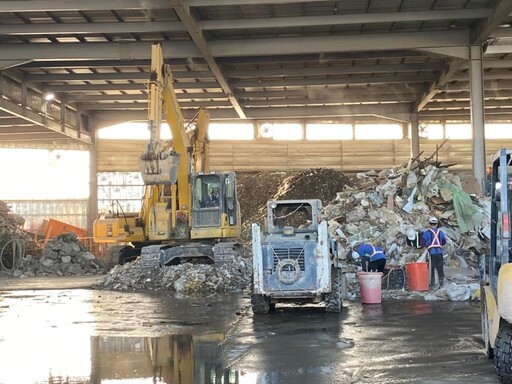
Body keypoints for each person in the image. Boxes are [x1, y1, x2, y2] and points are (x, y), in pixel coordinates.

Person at [421, 216, 447, 289]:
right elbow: (444, 242)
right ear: (436, 224)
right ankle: (441, 283)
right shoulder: (440, 232)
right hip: (439, 252)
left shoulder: (426, 233)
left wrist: (427, 244)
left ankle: (432, 284)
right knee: (440, 268)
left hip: (431, 253)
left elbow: (422, 243)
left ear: (429, 224)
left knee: (431, 269)